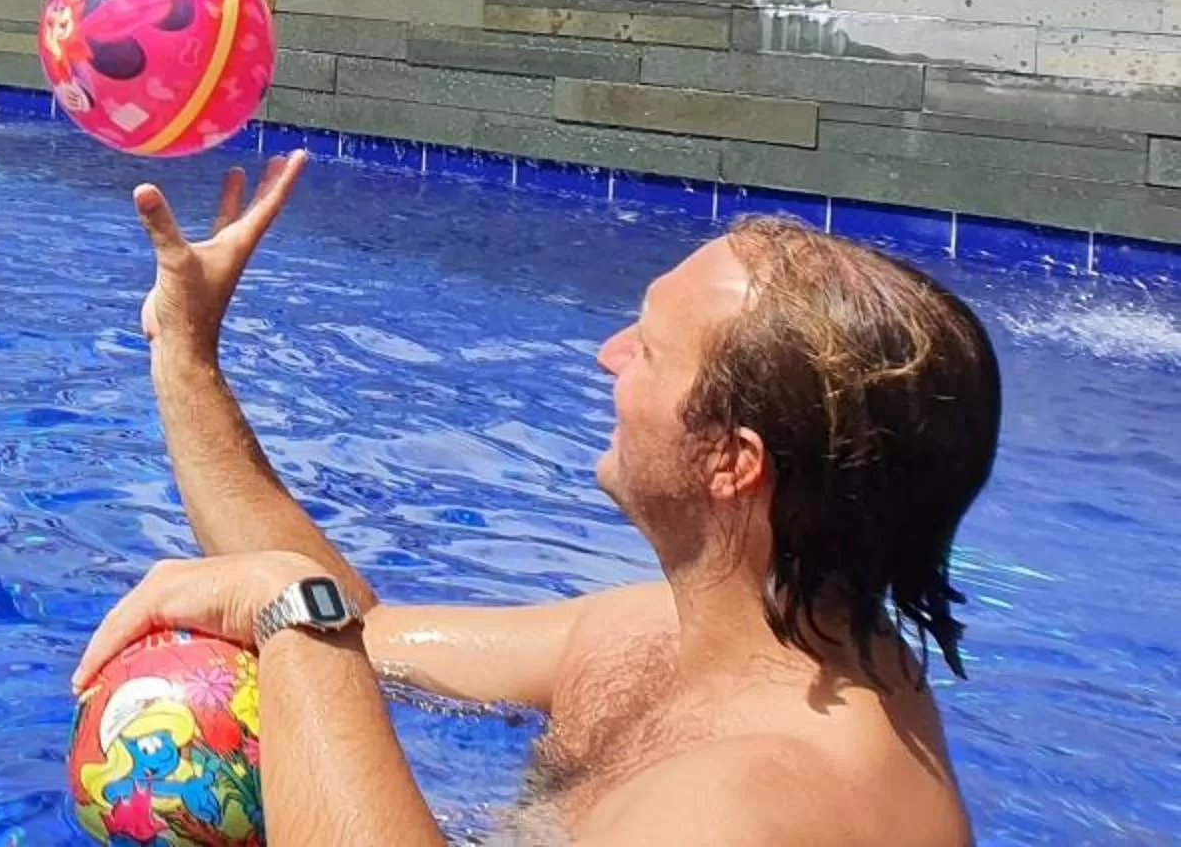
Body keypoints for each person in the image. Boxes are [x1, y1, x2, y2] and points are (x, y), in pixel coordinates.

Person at [73, 154, 999, 847]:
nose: (609, 353)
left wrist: (288, 612)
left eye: (651, 348)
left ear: (732, 461)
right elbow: (375, 640)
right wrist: (186, 355)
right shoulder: (669, 638)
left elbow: (318, 627)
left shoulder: (763, 803)